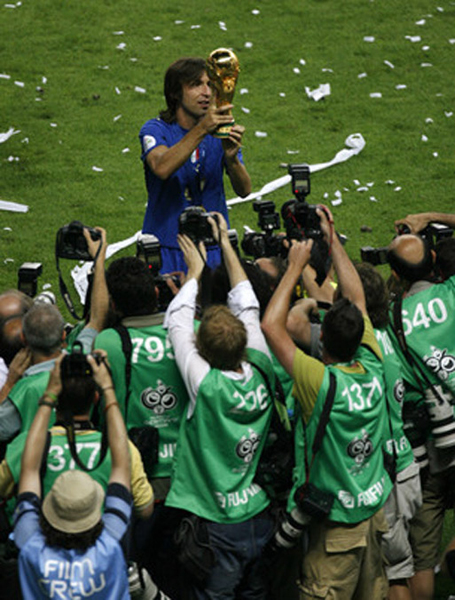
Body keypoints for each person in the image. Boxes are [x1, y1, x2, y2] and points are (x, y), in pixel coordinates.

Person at [261, 208, 392, 599]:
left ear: (322, 343)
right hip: (372, 513)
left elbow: (272, 326)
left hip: (335, 526)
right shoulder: (373, 364)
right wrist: (333, 240)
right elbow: (357, 299)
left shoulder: (319, 382)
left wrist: (294, 266)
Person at [164, 213, 275, 599]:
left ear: (202, 349)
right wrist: (226, 244)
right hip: (258, 512)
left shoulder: (204, 383)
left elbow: (177, 320)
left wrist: (194, 271)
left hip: (217, 521)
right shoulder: (263, 367)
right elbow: (248, 305)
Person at [94, 255, 190, 596]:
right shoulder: (183, 331)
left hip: (138, 482)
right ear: (154, 290)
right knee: (179, 571)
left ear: (116, 304)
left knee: (135, 572)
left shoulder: (108, 342)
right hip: (186, 479)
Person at [13, 352, 132, 599]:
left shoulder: (30, 544)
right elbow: (122, 465)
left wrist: (49, 395)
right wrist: (108, 389)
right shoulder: (110, 542)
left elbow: (29, 470)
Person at [387, 211, 455, 600]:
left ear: (395, 276)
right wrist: (432, 217)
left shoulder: (391, 320)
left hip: (431, 448)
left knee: (420, 556)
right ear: (435, 261)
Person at [139, 56, 251, 273]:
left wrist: (231, 158)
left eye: (210, 85)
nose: (206, 92)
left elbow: (245, 189)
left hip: (214, 248)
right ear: (174, 92)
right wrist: (202, 130)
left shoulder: (220, 131)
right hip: (166, 248)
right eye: (195, 85)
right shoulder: (155, 130)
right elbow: (162, 167)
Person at [0, 227, 108, 442]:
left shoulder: (22, 390)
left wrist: (10, 383)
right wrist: (99, 256)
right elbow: (97, 318)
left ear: (24, 338)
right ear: (63, 337)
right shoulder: (82, 362)